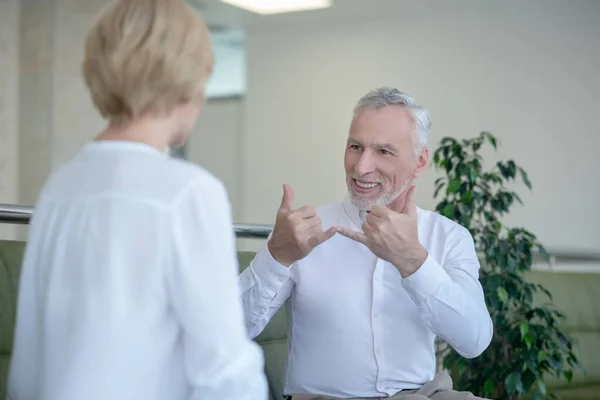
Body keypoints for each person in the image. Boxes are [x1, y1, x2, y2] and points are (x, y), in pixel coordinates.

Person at [7, 1, 267, 399]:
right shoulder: (189, 193)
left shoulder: (59, 189)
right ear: (186, 81)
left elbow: (29, 361)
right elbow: (225, 372)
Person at [240, 87, 493, 400]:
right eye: (355, 147)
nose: (361, 167)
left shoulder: (450, 237)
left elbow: (475, 341)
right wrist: (276, 258)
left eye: (384, 151)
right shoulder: (299, 233)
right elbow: (229, 332)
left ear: (420, 161)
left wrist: (414, 262)